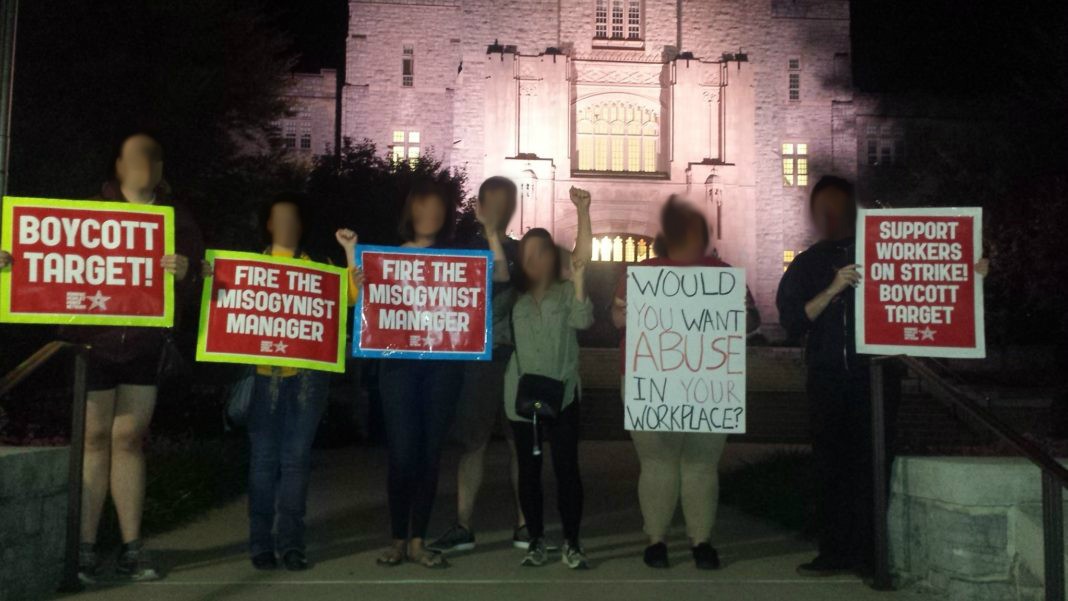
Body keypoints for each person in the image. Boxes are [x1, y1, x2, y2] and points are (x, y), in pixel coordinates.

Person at [776, 175, 988, 576]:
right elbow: (793, 321)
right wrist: (833, 287)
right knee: (831, 469)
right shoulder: (807, 263)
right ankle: (834, 552)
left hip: (874, 380)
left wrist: (971, 271)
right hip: (827, 381)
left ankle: (873, 557)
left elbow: (931, 276)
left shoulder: (881, 251)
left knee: (873, 466)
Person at [62, 132, 204, 583]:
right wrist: (13, 262)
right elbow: (51, 260)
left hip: (145, 346)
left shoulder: (178, 218)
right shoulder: (88, 213)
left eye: (154, 158)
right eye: (136, 157)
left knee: (128, 440)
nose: (146, 165)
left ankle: (131, 548)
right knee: (94, 439)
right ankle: (84, 549)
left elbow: (202, 279)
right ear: (118, 166)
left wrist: (185, 272)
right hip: (94, 343)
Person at [203, 194, 361, 571]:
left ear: (301, 226)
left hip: (307, 382)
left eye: (294, 218)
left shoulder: (320, 267)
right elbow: (220, 305)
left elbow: (350, 298)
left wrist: (351, 252)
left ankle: (291, 543)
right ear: (269, 225)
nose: (287, 225)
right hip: (262, 380)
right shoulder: (248, 267)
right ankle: (260, 544)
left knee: (295, 462)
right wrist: (213, 277)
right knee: (263, 463)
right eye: (280, 218)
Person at [610, 196, 760, 570]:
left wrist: (742, 314)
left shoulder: (724, 275)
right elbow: (617, 322)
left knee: (700, 465)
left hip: (707, 382)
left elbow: (751, 323)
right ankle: (657, 539)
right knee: (658, 463)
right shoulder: (639, 274)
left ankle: (701, 539)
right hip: (652, 381)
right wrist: (618, 311)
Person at [376, 180, 495, 569]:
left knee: (429, 456)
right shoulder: (385, 259)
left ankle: (417, 541)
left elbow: (501, 277)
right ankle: (396, 537)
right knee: (403, 452)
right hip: (398, 368)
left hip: (443, 368)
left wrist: (490, 230)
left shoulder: (458, 259)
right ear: (411, 211)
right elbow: (367, 312)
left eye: (438, 207)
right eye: (423, 205)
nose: (431, 213)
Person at [429, 176, 529, 554]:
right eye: (493, 202)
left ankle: (525, 525)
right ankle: (463, 525)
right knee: (473, 444)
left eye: (506, 202)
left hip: (516, 359)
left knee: (521, 443)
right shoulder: (463, 252)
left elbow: (504, 276)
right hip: (479, 360)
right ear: (480, 206)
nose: (499, 209)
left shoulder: (522, 252)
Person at [503, 186, 594, 569]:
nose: (534, 260)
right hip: (520, 398)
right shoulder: (514, 300)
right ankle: (537, 539)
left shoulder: (563, 294)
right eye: (527, 255)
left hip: (564, 395)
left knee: (567, 470)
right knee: (528, 472)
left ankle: (571, 542)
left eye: (541, 253)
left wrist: (583, 212)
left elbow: (584, 318)